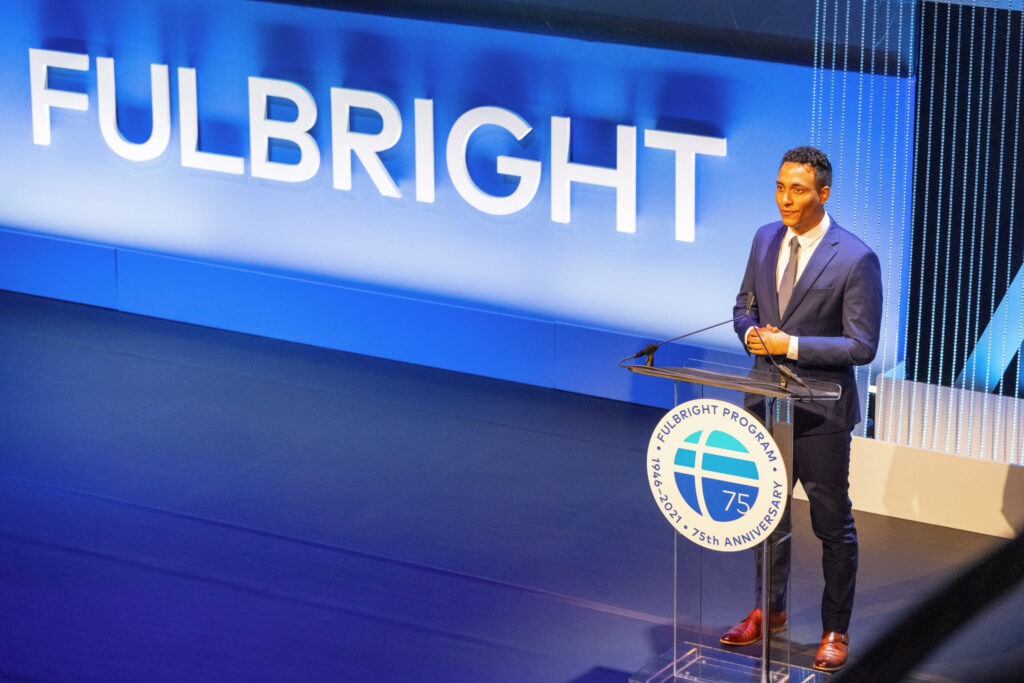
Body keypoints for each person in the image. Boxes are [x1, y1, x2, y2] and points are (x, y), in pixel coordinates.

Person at [721, 146, 883, 672]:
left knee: (832, 524)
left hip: (820, 413)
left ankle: (836, 628)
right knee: (768, 518)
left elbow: (861, 347)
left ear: (823, 194)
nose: (785, 199)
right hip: (766, 403)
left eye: (797, 190)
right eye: (780, 187)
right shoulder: (764, 237)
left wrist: (787, 345)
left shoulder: (856, 258)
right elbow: (744, 306)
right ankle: (770, 612)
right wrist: (750, 335)